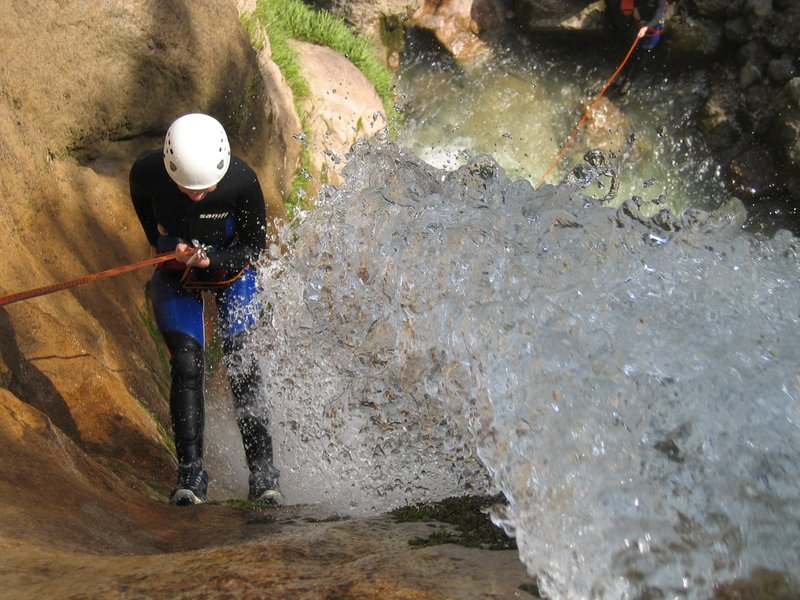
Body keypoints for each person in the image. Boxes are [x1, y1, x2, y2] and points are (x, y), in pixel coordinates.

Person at [129, 112, 281, 506]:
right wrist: (155, 243)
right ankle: (191, 475)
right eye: (186, 189)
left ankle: (263, 474)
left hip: (228, 267)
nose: (196, 195)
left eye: (204, 189)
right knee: (186, 362)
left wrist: (211, 262)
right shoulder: (148, 172)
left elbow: (253, 247)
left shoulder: (241, 181)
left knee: (240, 360)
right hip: (176, 266)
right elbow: (142, 200)